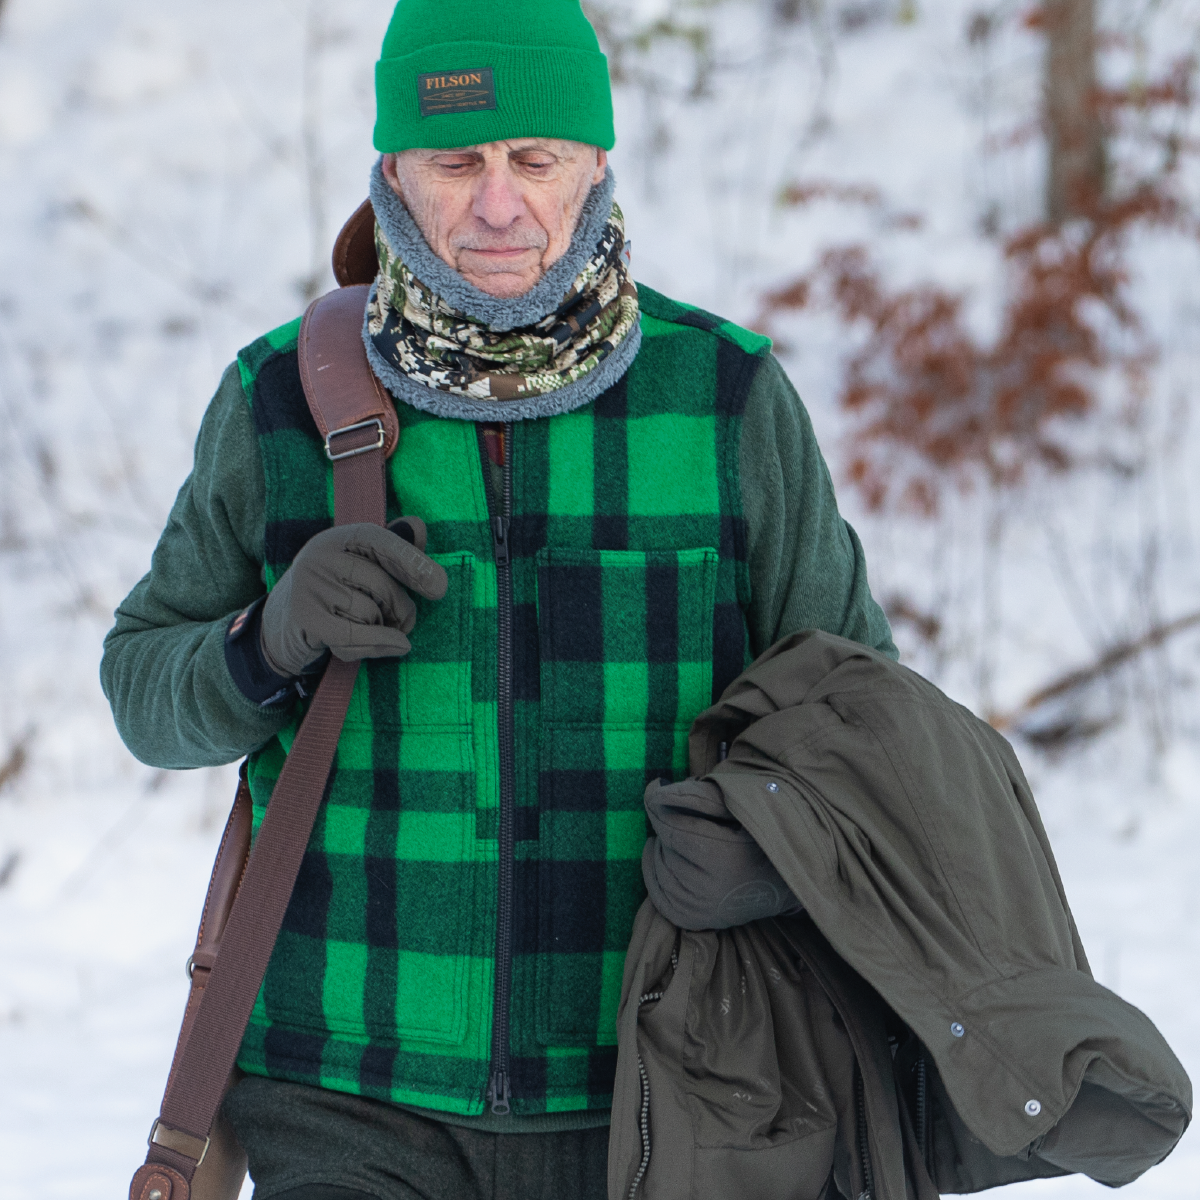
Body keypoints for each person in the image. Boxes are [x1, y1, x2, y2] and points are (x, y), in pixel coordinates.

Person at [102, 1, 896, 1196]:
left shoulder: (725, 398)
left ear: (596, 162)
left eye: (535, 159)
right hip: (343, 1084)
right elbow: (141, 694)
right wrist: (264, 641)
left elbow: (865, 722)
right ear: (392, 173)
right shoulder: (277, 400)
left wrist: (775, 851)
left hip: (668, 1083)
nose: (497, 204)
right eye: (455, 161)